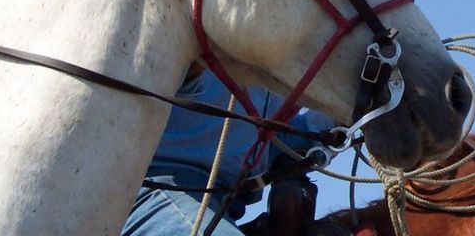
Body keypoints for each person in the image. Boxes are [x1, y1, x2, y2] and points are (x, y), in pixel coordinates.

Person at [123, 69, 333, 236]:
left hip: (226, 201)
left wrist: (337, 123)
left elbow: (265, 140)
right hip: (156, 185)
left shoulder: (285, 47)